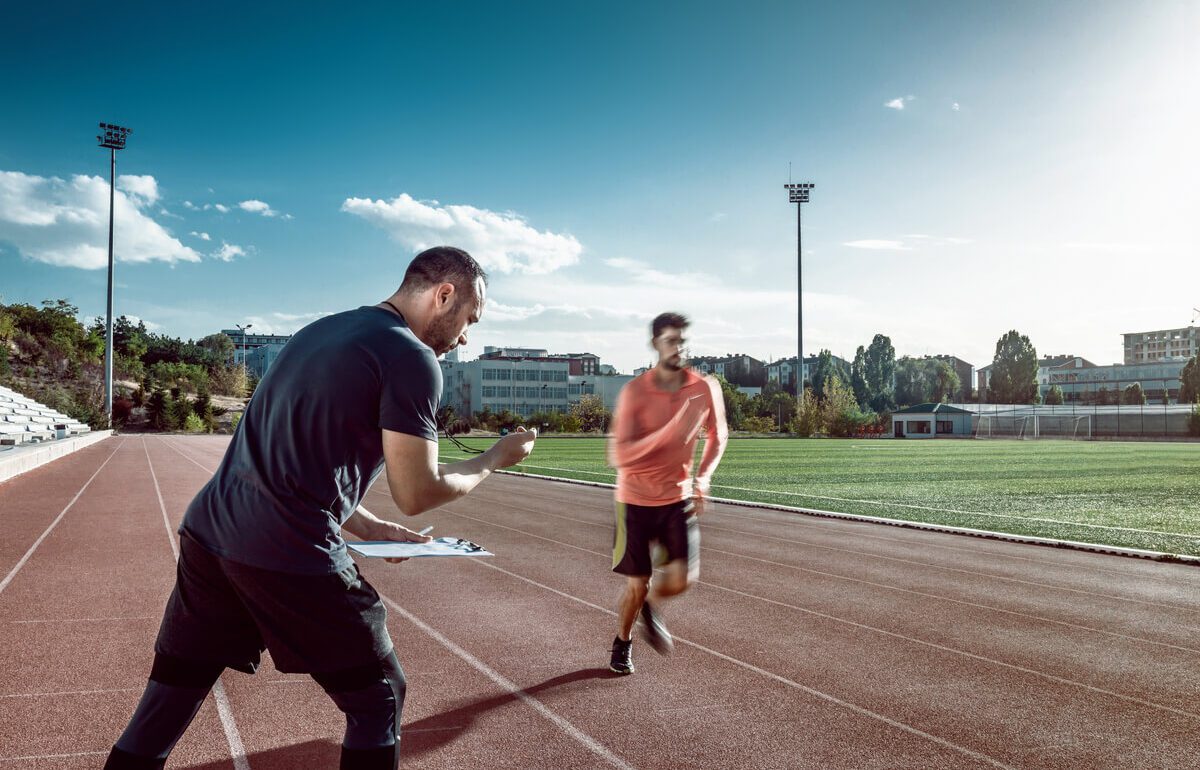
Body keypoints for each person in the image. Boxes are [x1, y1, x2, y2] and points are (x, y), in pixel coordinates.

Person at [105, 246, 536, 770]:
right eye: (469, 318)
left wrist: (367, 524)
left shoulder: (318, 331)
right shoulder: (412, 357)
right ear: (443, 294)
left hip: (210, 533)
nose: (466, 335)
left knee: (170, 696)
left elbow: (288, 453)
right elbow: (417, 492)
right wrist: (496, 458)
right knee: (379, 697)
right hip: (286, 546)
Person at [606, 312, 727, 675]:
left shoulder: (704, 388)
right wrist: (672, 431)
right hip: (634, 501)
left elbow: (718, 436)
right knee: (637, 584)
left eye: (683, 340)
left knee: (682, 579)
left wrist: (703, 477)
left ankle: (649, 607)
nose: (680, 347)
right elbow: (618, 455)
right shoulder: (636, 392)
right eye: (672, 340)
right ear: (656, 344)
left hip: (677, 498)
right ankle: (622, 642)